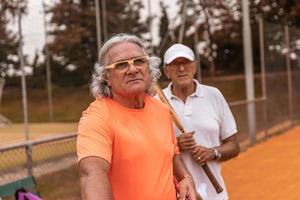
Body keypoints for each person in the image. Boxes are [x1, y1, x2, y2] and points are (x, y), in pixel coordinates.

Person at [77, 34, 197, 200]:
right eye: (120, 65)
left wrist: (185, 178)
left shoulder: (161, 110)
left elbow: (172, 155)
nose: (132, 69)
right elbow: (92, 173)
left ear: (149, 67)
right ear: (106, 77)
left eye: (139, 61)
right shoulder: (97, 118)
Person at [162, 44, 240, 200]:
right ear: (166, 71)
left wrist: (212, 153)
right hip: (174, 195)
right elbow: (148, 153)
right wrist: (176, 145)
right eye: (175, 64)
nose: (182, 68)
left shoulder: (214, 95)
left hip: (215, 195)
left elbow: (234, 146)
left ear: (195, 66)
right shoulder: (157, 102)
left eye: (186, 62)